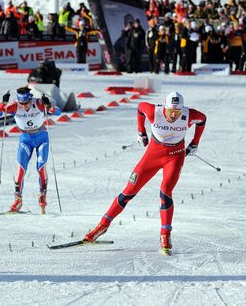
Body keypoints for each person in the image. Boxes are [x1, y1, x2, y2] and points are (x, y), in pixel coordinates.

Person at [84, 92, 207, 256]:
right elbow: (140, 108)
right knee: (128, 191)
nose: (173, 115)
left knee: (165, 191)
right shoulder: (154, 112)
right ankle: (102, 227)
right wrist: (141, 131)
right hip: (153, 155)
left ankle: (165, 236)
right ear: (165, 107)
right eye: (171, 111)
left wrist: (195, 143)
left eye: (177, 112)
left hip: (175, 157)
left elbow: (202, 119)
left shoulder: (188, 115)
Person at [0, 87, 61, 213]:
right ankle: (18, 199)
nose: (23, 106)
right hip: (25, 140)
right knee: (21, 169)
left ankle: (42, 196)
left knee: (41, 167)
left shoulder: (38, 103)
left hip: (42, 139)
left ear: (30, 98)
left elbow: (58, 112)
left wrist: (49, 105)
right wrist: (3, 103)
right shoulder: (14, 106)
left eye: (26, 103)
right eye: (21, 103)